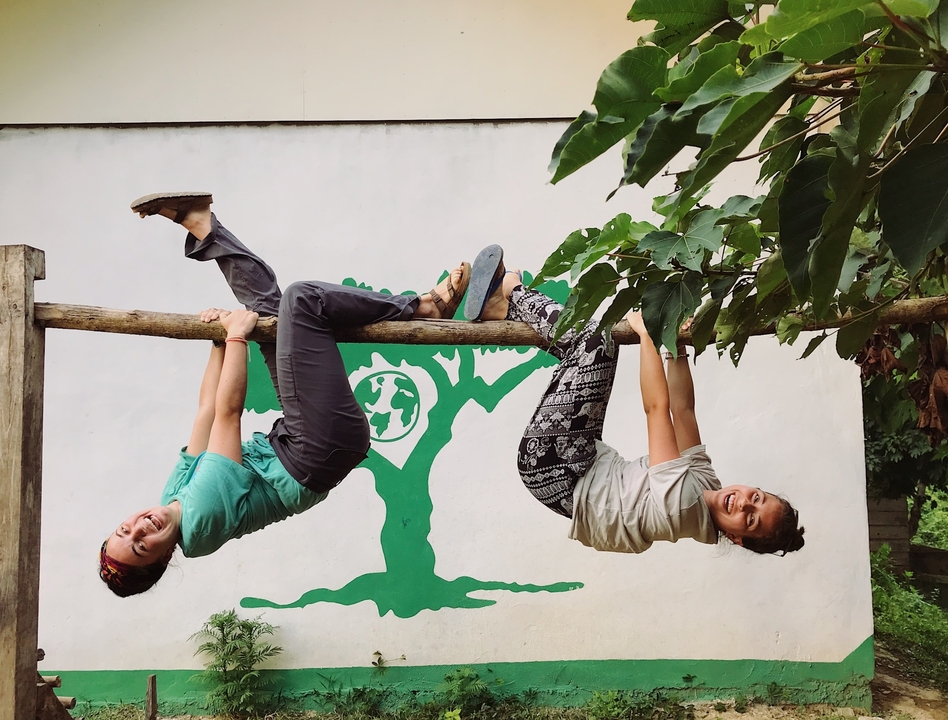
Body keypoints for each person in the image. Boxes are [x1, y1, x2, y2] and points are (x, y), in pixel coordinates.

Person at [99, 192, 479, 597]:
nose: (141, 527)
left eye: (126, 528)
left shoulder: (171, 499)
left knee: (267, 309)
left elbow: (206, 412)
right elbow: (229, 415)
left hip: (295, 439)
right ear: (160, 561)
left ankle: (201, 224)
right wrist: (236, 338)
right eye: (141, 546)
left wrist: (217, 342)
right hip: (316, 449)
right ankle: (422, 307)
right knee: (302, 299)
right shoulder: (200, 519)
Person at [464, 245, 805, 556]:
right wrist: (675, 347)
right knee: (580, 350)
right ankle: (503, 308)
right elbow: (682, 410)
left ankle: (513, 293)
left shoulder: (684, 506)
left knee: (597, 341)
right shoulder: (705, 485)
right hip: (580, 460)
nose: (743, 504)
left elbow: (656, 410)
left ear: (736, 539)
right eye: (756, 498)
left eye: (749, 520)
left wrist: (649, 335)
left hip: (555, 469)